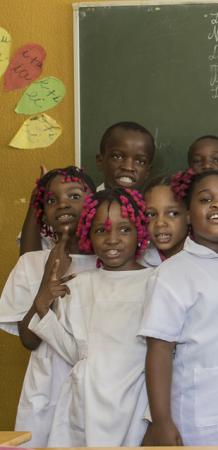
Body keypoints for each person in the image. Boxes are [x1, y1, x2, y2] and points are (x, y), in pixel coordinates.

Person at [28, 187, 153, 446]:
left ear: (140, 231)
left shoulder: (156, 281)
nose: (112, 239)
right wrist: (42, 307)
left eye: (124, 229)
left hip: (136, 400)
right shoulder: (79, 285)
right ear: (87, 234)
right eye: (101, 230)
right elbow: (75, 353)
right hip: (85, 401)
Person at [139, 170, 218, 446]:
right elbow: (159, 350)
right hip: (198, 414)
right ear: (189, 213)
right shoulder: (173, 273)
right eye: (206, 199)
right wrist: (162, 421)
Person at [0, 167, 97, 447]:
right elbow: (29, 340)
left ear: (95, 204)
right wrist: (46, 282)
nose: (63, 204)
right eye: (52, 200)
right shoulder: (30, 263)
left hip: (97, 389)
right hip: (45, 389)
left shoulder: (112, 263)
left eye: (75, 195)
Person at [19, 121, 155, 254]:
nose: (128, 167)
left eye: (140, 161)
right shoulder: (77, 205)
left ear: (148, 171)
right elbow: (28, 262)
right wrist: (39, 196)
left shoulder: (154, 212)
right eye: (117, 156)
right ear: (100, 161)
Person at [141, 175, 190, 266]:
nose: (160, 223)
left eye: (172, 214)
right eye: (151, 214)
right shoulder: (139, 263)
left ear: (189, 216)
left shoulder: (207, 259)